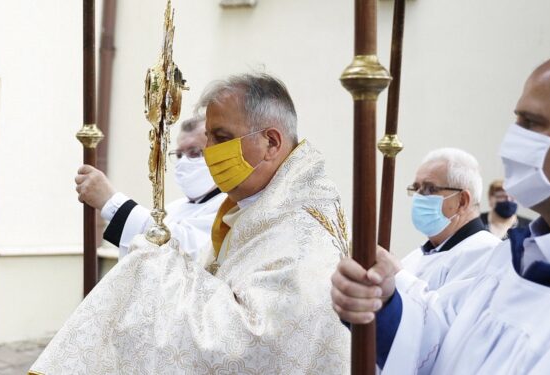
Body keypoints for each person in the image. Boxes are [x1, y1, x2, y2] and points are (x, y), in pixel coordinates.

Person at [331, 48, 550, 374]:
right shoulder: (520, 254)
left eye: (531, 124)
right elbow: (447, 348)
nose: (511, 141)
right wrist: (385, 302)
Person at [31, 73, 350, 374]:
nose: (211, 152)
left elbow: (255, 344)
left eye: (221, 137)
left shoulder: (300, 231)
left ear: (271, 143)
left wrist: (154, 269)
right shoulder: (256, 209)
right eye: (207, 138)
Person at [75, 116, 227, 258]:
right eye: (179, 155)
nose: (183, 162)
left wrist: (112, 203)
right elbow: (143, 252)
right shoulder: (173, 208)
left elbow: (184, 250)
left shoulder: (228, 207)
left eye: (194, 152)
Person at [398, 148, 500, 292]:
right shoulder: (415, 257)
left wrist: (398, 277)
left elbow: (441, 313)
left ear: (462, 201)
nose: (418, 197)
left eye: (429, 189)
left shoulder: (487, 255)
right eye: (416, 188)